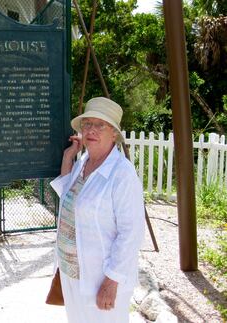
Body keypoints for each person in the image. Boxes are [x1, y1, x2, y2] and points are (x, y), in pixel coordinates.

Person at [50, 97, 145, 323]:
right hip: (72, 272)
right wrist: (68, 157)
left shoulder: (123, 175)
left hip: (99, 278)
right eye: (87, 124)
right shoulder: (84, 162)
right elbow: (70, 198)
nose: (91, 130)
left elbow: (131, 234)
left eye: (100, 124)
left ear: (114, 134)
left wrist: (111, 281)